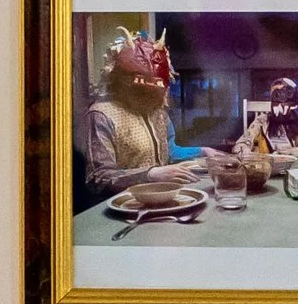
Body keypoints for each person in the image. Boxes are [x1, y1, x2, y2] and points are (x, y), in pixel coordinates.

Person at [84, 32, 222, 195]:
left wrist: (203, 151)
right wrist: (150, 174)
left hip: (164, 195)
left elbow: (169, 151)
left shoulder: (158, 112)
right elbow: (99, 177)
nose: (151, 94)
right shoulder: (101, 114)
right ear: (122, 80)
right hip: (124, 201)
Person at [236, 76, 298, 155]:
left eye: (286, 93)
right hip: (267, 167)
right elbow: (244, 141)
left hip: (295, 168)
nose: (281, 99)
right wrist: (244, 150)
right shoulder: (262, 122)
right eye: (276, 94)